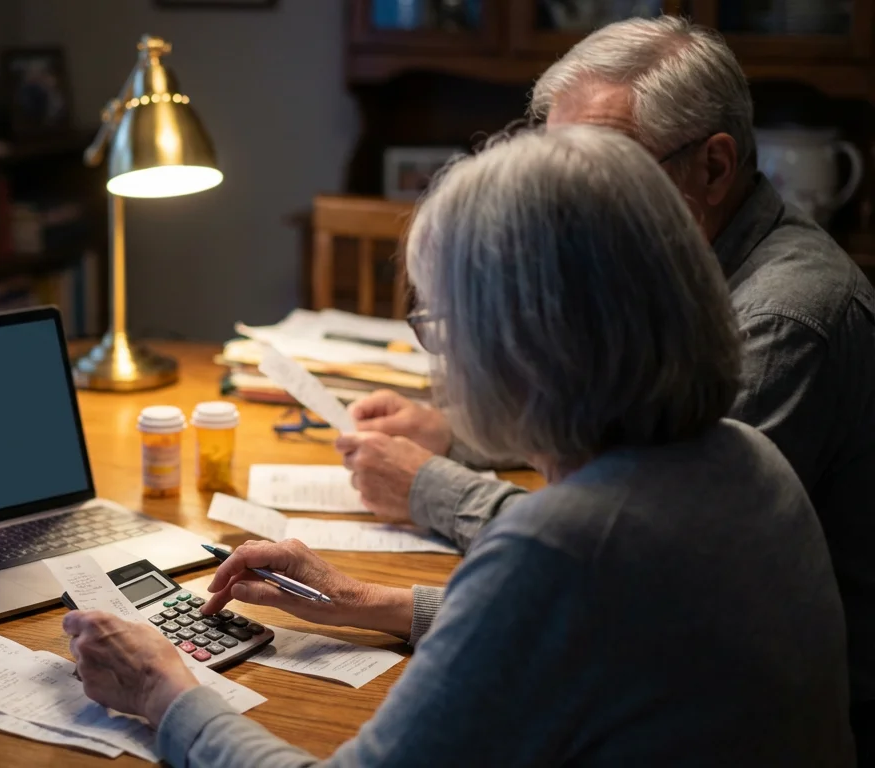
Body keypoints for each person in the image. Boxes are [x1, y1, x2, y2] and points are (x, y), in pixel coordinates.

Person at [63, 126, 854, 766]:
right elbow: (587, 635)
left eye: (438, 326)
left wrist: (163, 692)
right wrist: (364, 602)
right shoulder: (750, 458)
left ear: (522, 342)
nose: (434, 360)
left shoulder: (562, 547)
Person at [338, 17, 875, 757]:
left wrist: (427, 492)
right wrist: (454, 434)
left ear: (713, 169)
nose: (558, 196)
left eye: (598, 164)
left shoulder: (784, 318)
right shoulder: (668, 292)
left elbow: (613, 563)